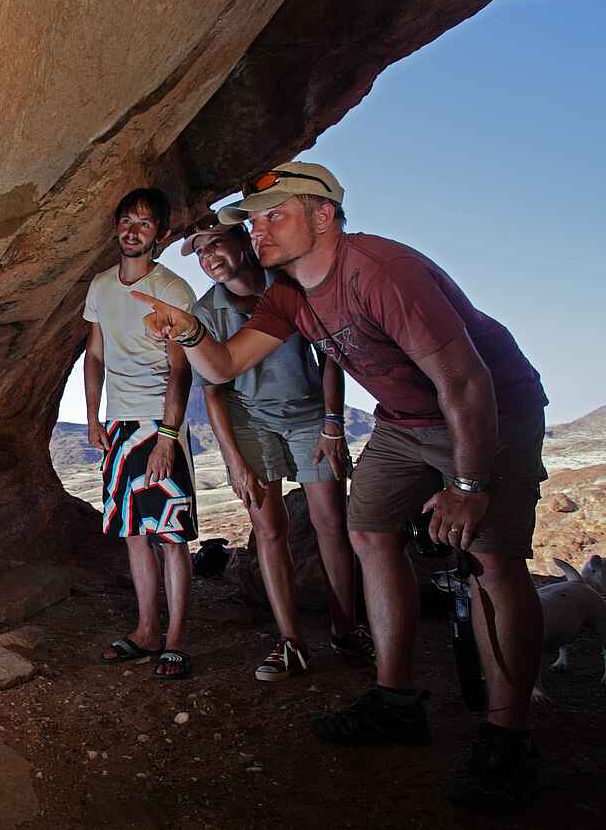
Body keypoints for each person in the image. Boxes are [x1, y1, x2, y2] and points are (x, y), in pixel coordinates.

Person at [132, 163, 547, 812]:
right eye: (254, 220)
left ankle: (507, 735)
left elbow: (466, 381)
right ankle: (396, 699)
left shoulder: (381, 271)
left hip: (492, 409)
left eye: (275, 215)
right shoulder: (289, 293)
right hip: (406, 420)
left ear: (323, 215)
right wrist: (188, 331)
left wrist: (469, 484)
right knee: (368, 529)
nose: (258, 231)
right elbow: (226, 364)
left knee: (492, 560)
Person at [176, 216, 371, 681]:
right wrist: (234, 461)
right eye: (200, 252)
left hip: (309, 415)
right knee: (268, 530)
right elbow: (212, 391)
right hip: (249, 420)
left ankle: (346, 629)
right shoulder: (205, 312)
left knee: (331, 524)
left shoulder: (289, 285)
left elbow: (331, 356)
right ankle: (291, 641)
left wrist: (333, 423)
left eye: (215, 244)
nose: (208, 258)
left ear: (243, 240)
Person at [84, 187, 200, 680]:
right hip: (118, 423)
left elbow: (181, 369)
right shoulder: (100, 286)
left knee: (171, 536)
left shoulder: (172, 289)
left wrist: (168, 438)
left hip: (158, 421)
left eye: (145, 223)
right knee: (133, 533)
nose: (133, 231)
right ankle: (146, 630)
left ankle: (175, 640)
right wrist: (93, 417)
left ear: (161, 234)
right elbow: (95, 355)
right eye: (127, 221)